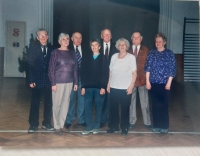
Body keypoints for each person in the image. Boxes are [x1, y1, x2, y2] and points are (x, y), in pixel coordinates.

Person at [145, 33, 176, 134]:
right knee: (155, 105)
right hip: (153, 83)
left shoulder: (169, 53)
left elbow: (172, 69)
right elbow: (148, 68)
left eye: (160, 41)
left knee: (164, 105)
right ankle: (157, 126)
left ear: (164, 42)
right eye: (156, 41)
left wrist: (169, 83)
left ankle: (164, 126)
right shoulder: (152, 53)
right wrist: (147, 81)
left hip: (165, 84)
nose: (158, 43)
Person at [48, 33, 78, 135]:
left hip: (69, 82)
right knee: (57, 104)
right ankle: (56, 126)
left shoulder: (72, 53)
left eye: (67, 39)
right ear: (59, 41)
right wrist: (53, 83)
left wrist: (76, 82)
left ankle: (61, 124)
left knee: (66, 104)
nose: (66, 41)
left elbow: (75, 69)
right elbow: (51, 69)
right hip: (58, 82)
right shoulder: (55, 53)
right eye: (63, 39)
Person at [107, 38, 137, 135]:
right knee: (113, 109)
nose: (122, 47)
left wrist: (131, 86)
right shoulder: (114, 56)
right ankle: (114, 127)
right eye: (120, 45)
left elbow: (134, 73)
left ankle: (124, 128)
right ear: (117, 46)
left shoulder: (131, 57)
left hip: (125, 88)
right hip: (114, 87)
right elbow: (111, 71)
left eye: (124, 45)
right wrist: (108, 84)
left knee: (125, 109)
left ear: (127, 46)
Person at [28, 28, 55, 133]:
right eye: (41, 36)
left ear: (48, 37)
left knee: (48, 103)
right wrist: (31, 80)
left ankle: (46, 123)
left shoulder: (52, 49)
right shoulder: (33, 48)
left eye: (45, 35)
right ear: (37, 38)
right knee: (35, 103)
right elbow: (30, 65)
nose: (43, 38)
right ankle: (33, 124)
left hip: (48, 81)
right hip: (36, 80)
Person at [81, 39, 107, 135]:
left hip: (99, 88)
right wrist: (83, 86)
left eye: (96, 45)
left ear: (99, 47)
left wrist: (103, 87)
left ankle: (96, 126)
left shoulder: (103, 58)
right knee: (87, 107)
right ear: (91, 47)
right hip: (88, 87)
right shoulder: (86, 57)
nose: (94, 47)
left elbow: (105, 73)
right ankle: (88, 127)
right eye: (92, 45)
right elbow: (83, 73)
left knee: (98, 106)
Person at [128, 31, 152, 130]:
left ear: (141, 39)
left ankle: (147, 122)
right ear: (131, 39)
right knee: (131, 102)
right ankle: (132, 121)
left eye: (138, 37)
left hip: (143, 80)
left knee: (144, 102)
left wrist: (148, 80)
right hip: (130, 81)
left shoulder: (146, 50)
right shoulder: (127, 50)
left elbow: (149, 66)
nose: (136, 39)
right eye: (134, 37)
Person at [65, 32, 86, 129]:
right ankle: (69, 119)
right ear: (72, 39)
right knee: (71, 99)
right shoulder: (67, 50)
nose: (78, 40)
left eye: (80, 38)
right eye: (76, 38)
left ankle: (81, 120)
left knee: (82, 99)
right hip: (71, 79)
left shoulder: (86, 50)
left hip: (83, 78)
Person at [100, 29, 118, 128]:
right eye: (105, 34)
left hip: (113, 78)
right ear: (101, 36)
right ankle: (102, 120)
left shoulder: (116, 47)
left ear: (111, 36)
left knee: (111, 101)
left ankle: (111, 121)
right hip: (100, 78)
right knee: (101, 101)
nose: (107, 36)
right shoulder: (96, 46)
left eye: (109, 35)